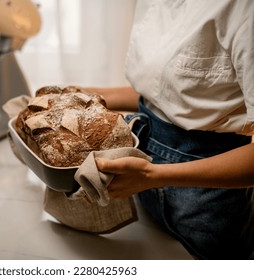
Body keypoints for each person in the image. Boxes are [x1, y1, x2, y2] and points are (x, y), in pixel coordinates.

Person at [85, 0, 254, 259]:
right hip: (142, 181)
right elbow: (163, 95)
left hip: (208, 202)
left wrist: (154, 175)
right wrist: (86, 95)